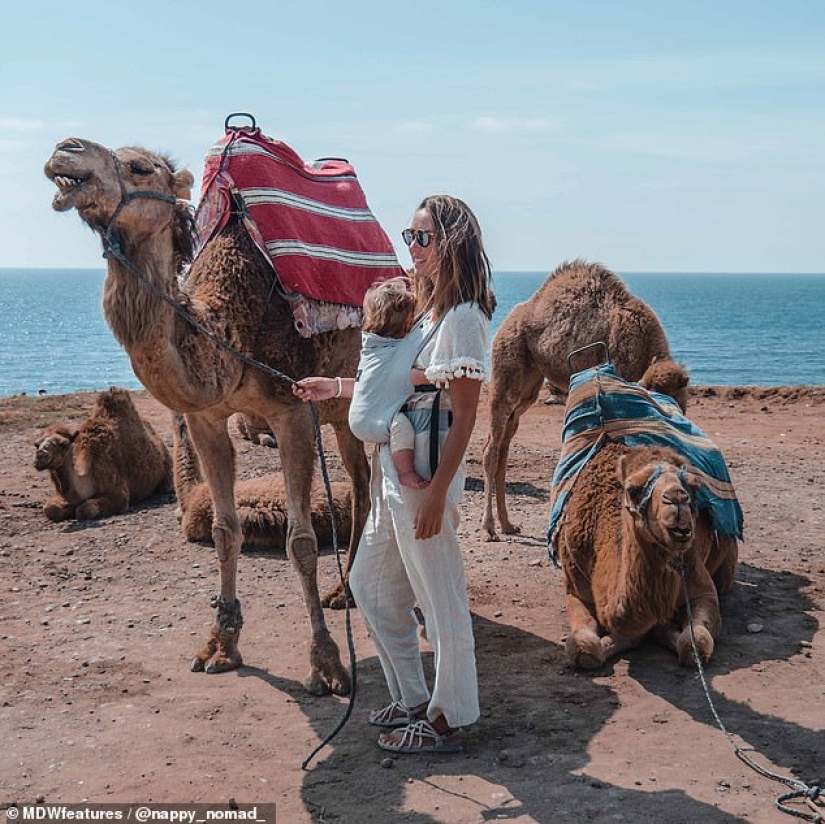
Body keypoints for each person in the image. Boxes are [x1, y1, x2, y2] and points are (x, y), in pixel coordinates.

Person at [294, 194, 495, 754]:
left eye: (423, 237)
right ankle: (411, 698)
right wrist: (336, 388)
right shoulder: (428, 314)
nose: (413, 247)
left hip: (425, 475)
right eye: (410, 236)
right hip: (391, 470)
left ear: (452, 242)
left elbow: (465, 414)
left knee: (439, 597)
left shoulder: (463, 318)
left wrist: (436, 494)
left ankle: (448, 718)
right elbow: (394, 384)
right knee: (371, 586)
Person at [358, 277, 432, 490]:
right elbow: (413, 376)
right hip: (375, 421)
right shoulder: (398, 352)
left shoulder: (371, 344)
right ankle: (405, 472)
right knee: (402, 427)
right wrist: (443, 374)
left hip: (362, 412)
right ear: (407, 325)